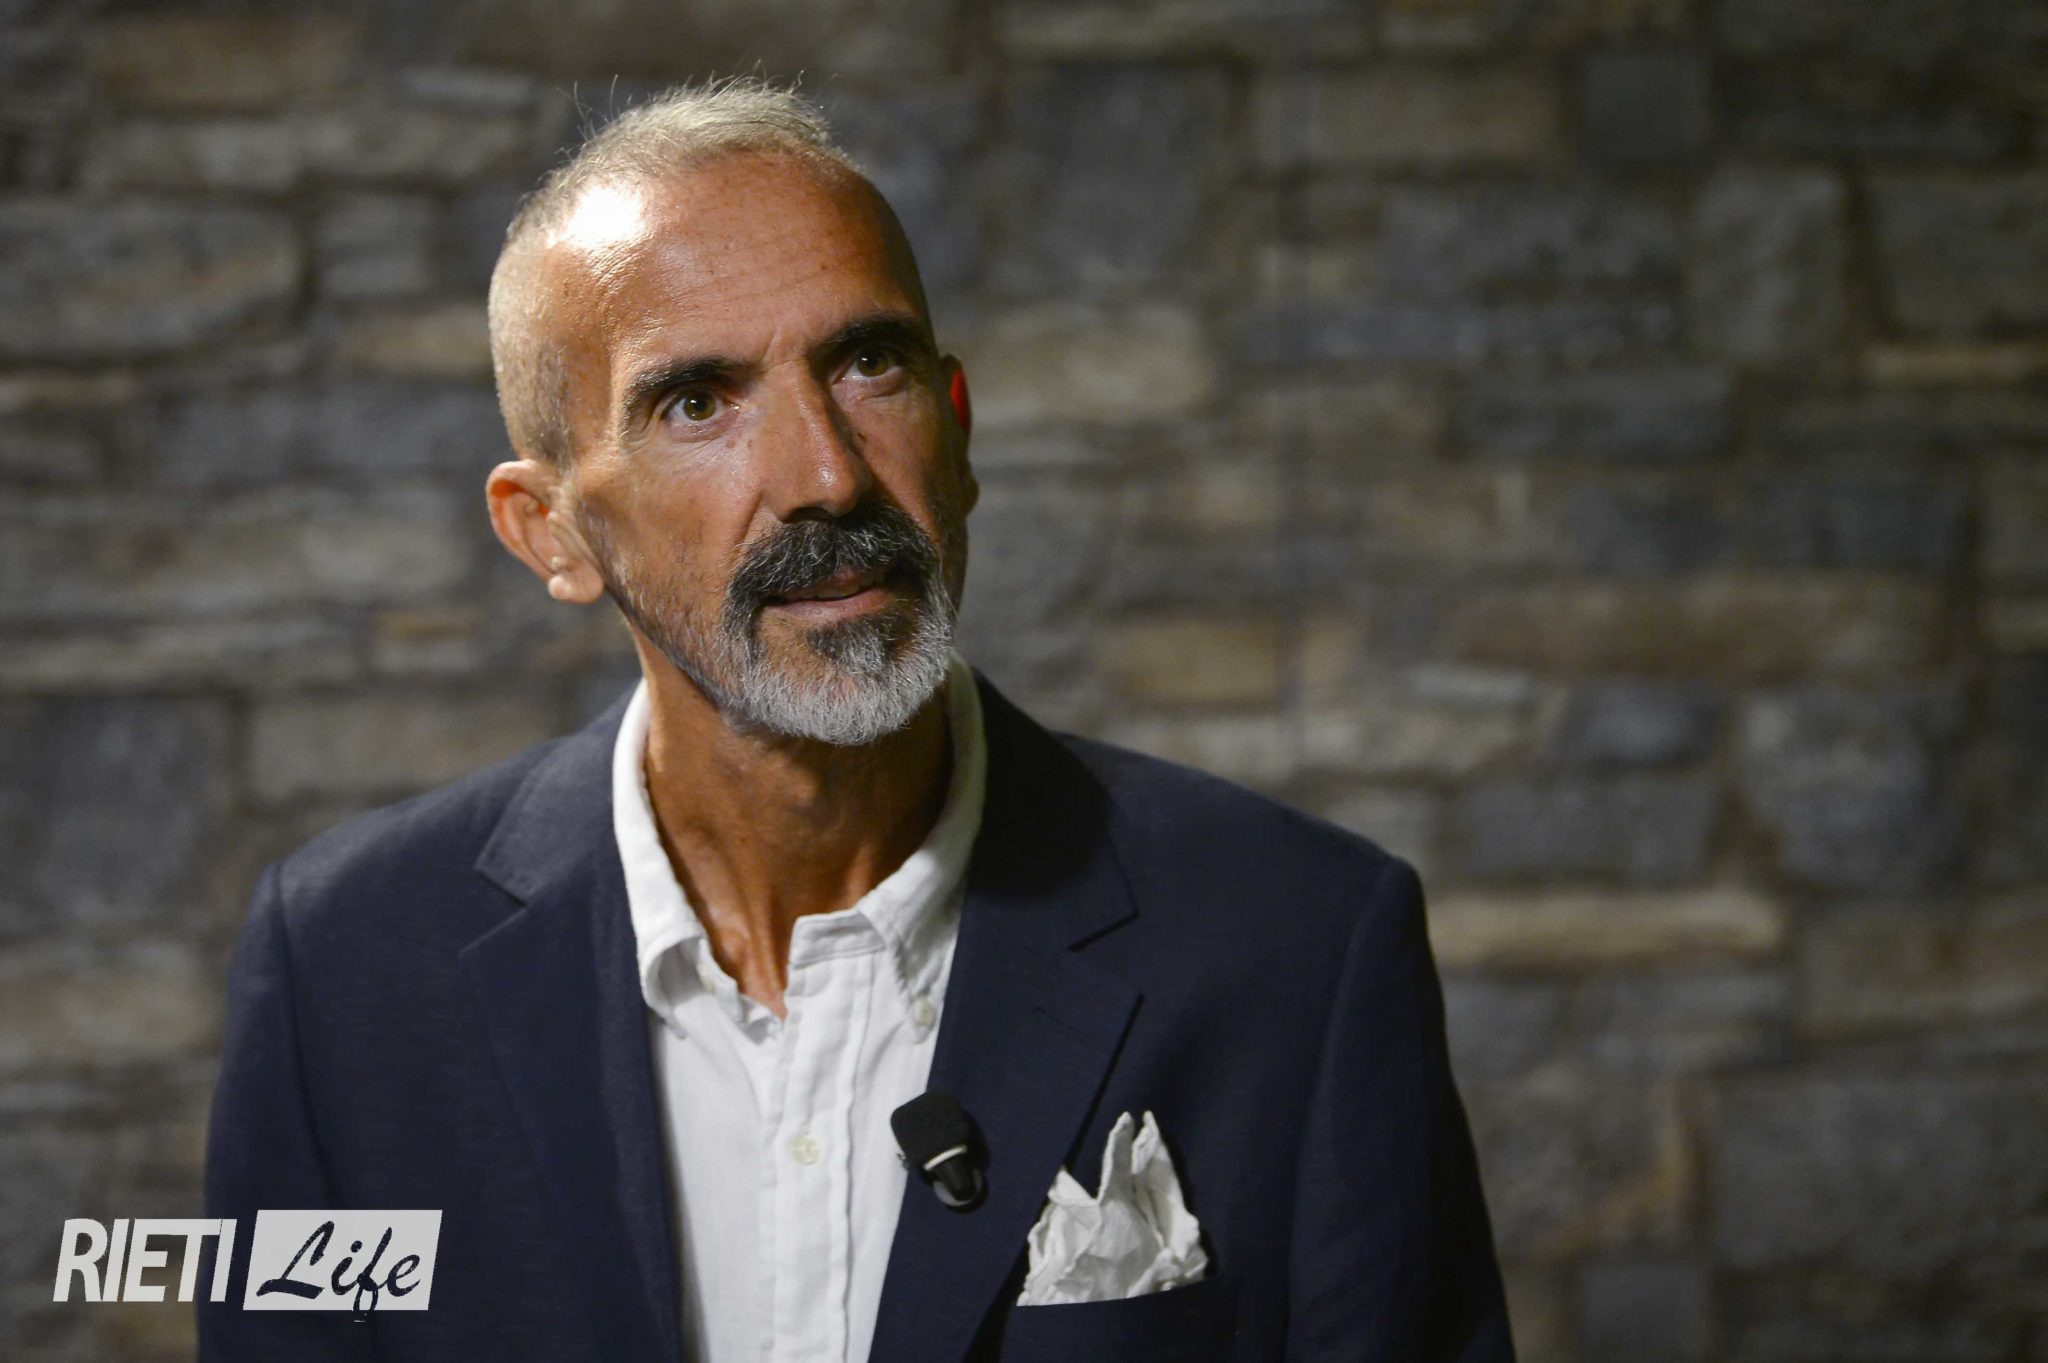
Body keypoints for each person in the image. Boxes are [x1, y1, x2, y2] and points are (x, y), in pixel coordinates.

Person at [198, 79, 1514, 1363]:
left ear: (957, 428)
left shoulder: (1301, 947)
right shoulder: (344, 972)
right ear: (551, 530)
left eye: (869, 365)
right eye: (697, 403)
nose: (825, 475)